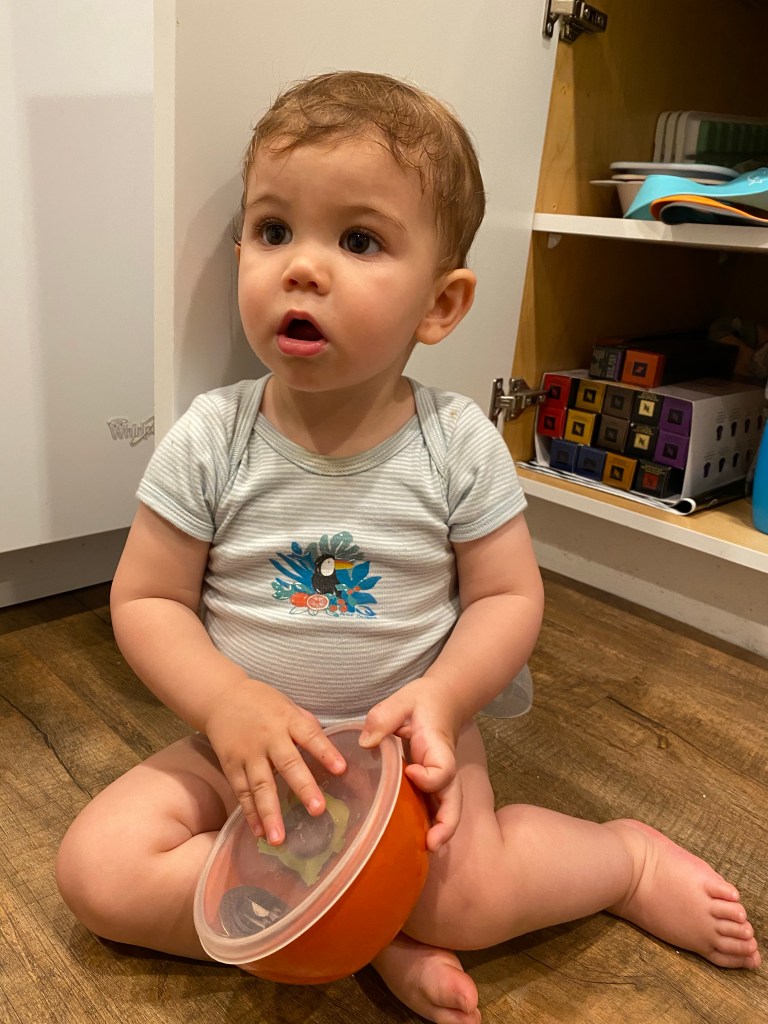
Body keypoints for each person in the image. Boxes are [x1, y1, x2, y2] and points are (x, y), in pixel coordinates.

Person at [56, 70, 760, 1024]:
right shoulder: (211, 437)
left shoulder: (456, 442)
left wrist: (447, 698)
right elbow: (147, 600)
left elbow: (508, 598)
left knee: (468, 898)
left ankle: (621, 861)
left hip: (406, 755)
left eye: (358, 240)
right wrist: (226, 704)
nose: (303, 268)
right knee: (98, 870)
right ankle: (368, 929)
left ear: (440, 305)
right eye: (273, 230)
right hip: (246, 753)